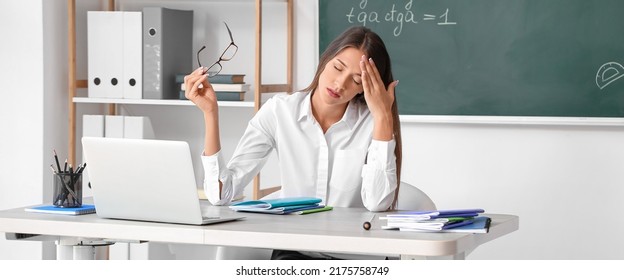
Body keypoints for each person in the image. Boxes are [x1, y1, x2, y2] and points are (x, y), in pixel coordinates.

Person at [184, 26, 402, 259]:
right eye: (338, 68)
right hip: (294, 254)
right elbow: (220, 195)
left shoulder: (374, 123)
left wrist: (383, 117)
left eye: (356, 80)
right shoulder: (280, 111)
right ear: (325, 59)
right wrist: (210, 113)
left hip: (356, 257)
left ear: (365, 89)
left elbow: (378, 203)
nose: (340, 84)